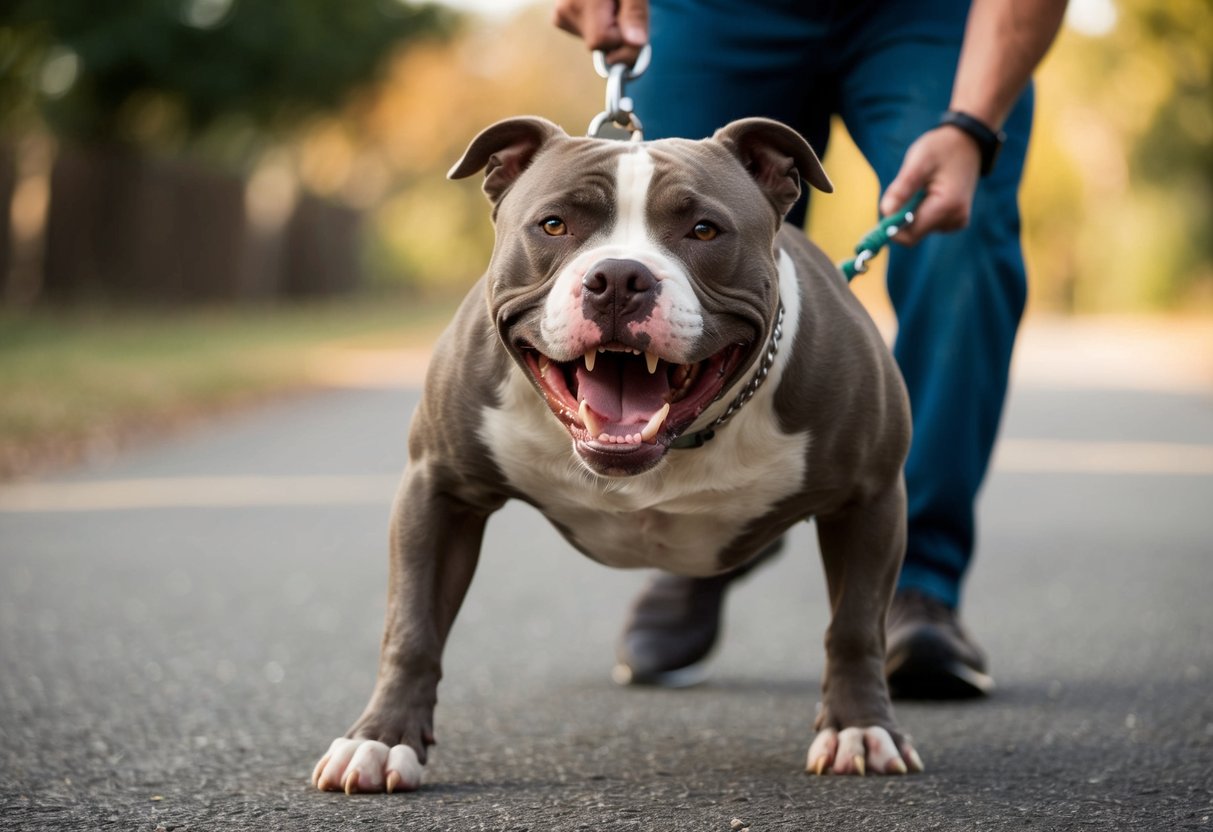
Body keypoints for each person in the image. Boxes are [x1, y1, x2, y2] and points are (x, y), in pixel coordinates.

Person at [553, 0, 1067, 698]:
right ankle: (708, 538)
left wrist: (971, 125)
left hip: (931, 17)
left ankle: (918, 581)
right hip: (710, 12)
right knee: (667, 250)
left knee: (961, 244)